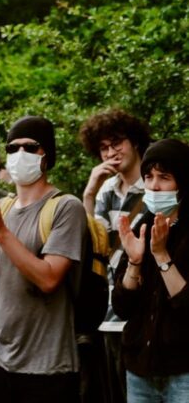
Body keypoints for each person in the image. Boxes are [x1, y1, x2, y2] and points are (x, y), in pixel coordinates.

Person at [0, 115, 86, 403]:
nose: (20, 155)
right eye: (13, 149)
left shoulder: (66, 207)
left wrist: (0, 233)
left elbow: (49, 278)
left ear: (47, 156)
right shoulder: (1, 207)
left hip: (48, 366)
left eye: (31, 148)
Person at [78, 108, 151, 403]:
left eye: (117, 143)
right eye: (104, 148)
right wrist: (89, 194)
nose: (111, 152)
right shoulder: (107, 189)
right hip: (108, 313)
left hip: (144, 310)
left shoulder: (156, 185)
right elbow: (94, 245)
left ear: (134, 141)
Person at [112, 138, 189, 402]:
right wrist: (134, 262)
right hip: (140, 370)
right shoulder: (139, 229)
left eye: (164, 177)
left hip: (183, 372)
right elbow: (121, 306)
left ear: (182, 183)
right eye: (148, 177)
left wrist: (161, 255)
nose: (154, 186)